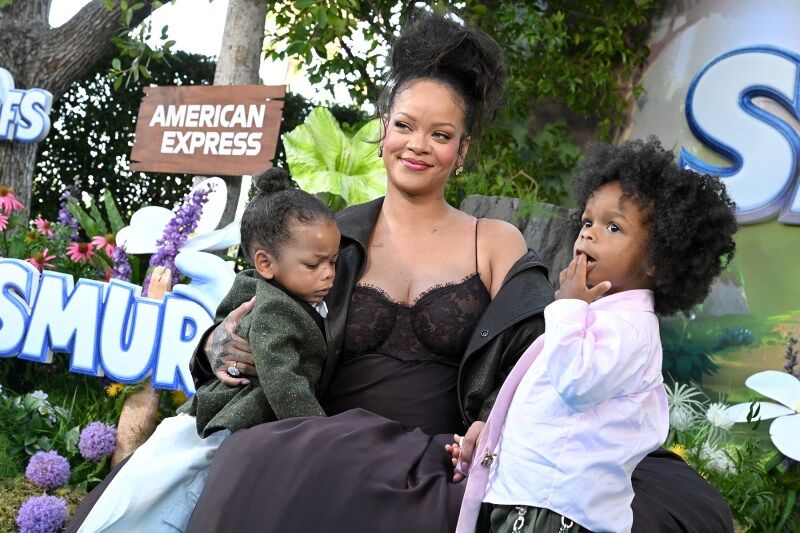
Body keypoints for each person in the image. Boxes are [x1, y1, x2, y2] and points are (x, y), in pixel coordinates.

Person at [68, 13, 734, 533]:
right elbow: (250, 318)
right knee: (258, 459)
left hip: (446, 453)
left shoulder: (491, 241)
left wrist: (493, 429)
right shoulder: (330, 233)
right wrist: (218, 347)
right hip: (318, 434)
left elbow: (537, 361)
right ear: (384, 129)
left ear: (463, 150)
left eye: (441, 135)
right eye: (406, 125)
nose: (418, 145)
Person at [455, 138, 737, 533]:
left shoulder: (630, 329)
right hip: (531, 496)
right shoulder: (596, 317)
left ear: (657, 258)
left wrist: (567, 308)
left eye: (613, 226)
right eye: (588, 221)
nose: (589, 235)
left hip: (556, 511)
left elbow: (576, 382)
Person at [75, 167, 339, 532]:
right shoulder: (277, 309)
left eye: (333, 262)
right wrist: (319, 432)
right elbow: (281, 377)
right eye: (314, 264)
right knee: (188, 497)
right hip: (243, 416)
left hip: (227, 411)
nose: (329, 274)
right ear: (265, 263)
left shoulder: (260, 289)